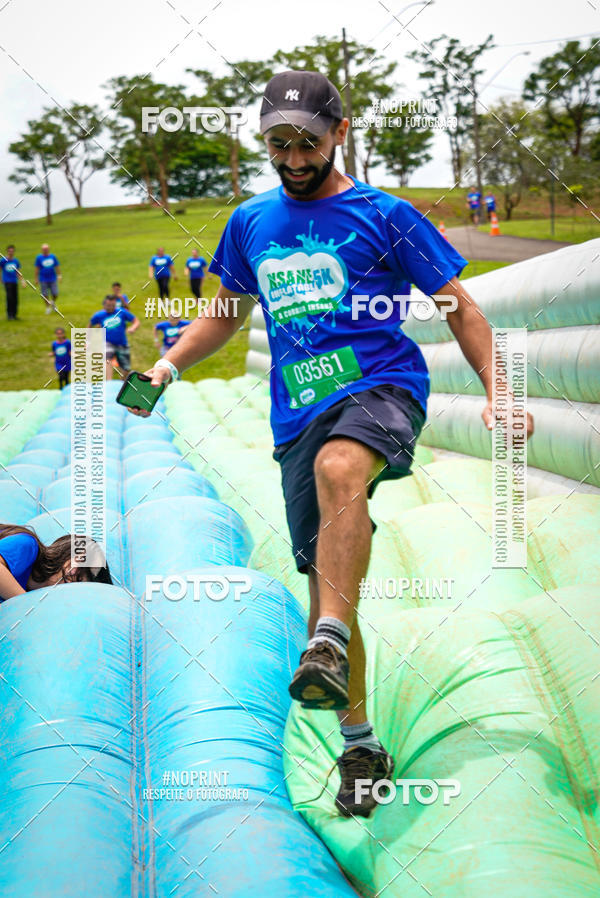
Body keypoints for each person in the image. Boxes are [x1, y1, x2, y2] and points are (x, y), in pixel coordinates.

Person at [130, 70, 534, 818]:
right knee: (329, 588)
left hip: (380, 387)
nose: (291, 157)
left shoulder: (386, 215)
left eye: (306, 142)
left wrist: (497, 390)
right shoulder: (250, 223)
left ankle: (325, 638)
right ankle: (360, 740)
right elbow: (222, 314)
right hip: (297, 414)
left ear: (339, 132)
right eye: (276, 143)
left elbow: (461, 307)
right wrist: (166, 365)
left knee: (340, 464)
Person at [0, 524, 112, 602]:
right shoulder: (28, 545)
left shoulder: (34, 595)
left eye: (79, 581)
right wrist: (24, 604)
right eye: (78, 577)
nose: (72, 572)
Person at [89, 294, 139, 380]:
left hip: (122, 343)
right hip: (107, 342)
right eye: (108, 305)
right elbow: (89, 326)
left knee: (126, 369)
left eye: (113, 305)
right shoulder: (99, 315)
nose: (111, 308)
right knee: (107, 359)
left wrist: (133, 328)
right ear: (104, 305)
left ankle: (121, 384)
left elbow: (136, 321)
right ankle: (109, 383)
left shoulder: (121, 312)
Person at [34, 243, 61, 313]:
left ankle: (52, 302)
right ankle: (48, 307)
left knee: (55, 293)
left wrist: (59, 275)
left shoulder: (52, 257)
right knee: (45, 294)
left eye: (46, 249)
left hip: (52, 278)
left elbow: (57, 266)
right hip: (43, 279)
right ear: (42, 250)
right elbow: (37, 268)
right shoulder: (39, 258)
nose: (45, 250)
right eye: (44, 249)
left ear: (48, 249)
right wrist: (36, 278)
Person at [1, 245, 25, 320]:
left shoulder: (15, 261)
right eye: (9, 251)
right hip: (7, 281)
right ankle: (9, 315)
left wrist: (22, 281)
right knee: (9, 298)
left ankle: (14, 315)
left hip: (14, 281)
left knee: (15, 298)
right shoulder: (3, 260)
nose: (11, 252)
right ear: (7, 251)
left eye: (12, 251)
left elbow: (18, 272)